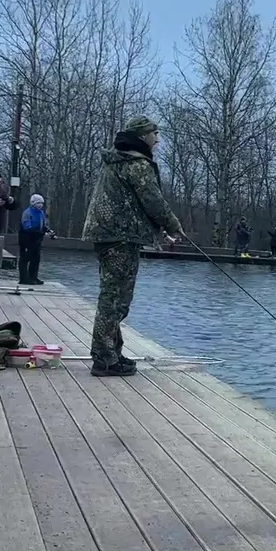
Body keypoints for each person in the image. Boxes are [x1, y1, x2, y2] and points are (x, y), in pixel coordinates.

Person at [82, 115, 183, 377]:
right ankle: (104, 358)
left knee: (115, 296)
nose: (157, 139)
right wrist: (172, 224)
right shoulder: (136, 163)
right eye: (154, 134)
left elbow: (134, 202)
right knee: (115, 298)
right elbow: (152, 199)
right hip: (121, 236)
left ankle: (112, 352)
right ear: (142, 136)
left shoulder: (119, 160)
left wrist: (161, 231)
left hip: (110, 234)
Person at [19, 193, 54, 285]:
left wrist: (48, 231)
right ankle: (23, 278)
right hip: (26, 239)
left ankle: (33, 277)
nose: (40, 205)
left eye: (41, 203)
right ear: (33, 203)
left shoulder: (41, 213)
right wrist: (42, 233)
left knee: (36, 258)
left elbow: (43, 225)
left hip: (37, 239)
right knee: (25, 259)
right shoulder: (27, 213)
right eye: (38, 203)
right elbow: (27, 228)